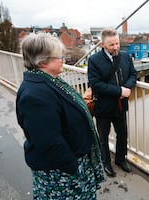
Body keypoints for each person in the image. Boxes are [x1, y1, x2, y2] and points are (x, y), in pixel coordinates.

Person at [16, 33, 104, 199]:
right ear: (43, 62)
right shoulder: (34, 96)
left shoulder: (50, 80)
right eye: (60, 56)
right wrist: (72, 167)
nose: (64, 59)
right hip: (60, 174)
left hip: (70, 163)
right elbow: (49, 142)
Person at [87, 28, 137, 177]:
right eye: (111, 45)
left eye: (117, 44)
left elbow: (133, 74)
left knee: (122, 135)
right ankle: (106, 163)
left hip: (121, 106)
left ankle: (120, 160)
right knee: (103, 138)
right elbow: (95, 84)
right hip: (103, 107)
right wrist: (120, 91)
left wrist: (127, 87)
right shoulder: (94, 60)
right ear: (102, 44)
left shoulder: (125, 57)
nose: (115, 47)